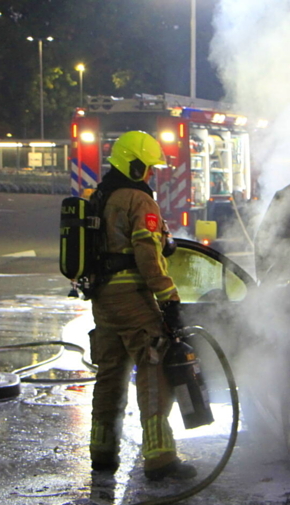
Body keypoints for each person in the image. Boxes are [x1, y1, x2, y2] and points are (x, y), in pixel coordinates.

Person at [86, 130, 196, 482]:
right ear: (134, 166)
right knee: (153, 370)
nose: (150, 174)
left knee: (109, 374)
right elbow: (148, 255)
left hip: (103, 301)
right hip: (133, 297)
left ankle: (102, 452)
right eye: (148, 167)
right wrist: (169, 297)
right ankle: (160, 458)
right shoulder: (138, 200)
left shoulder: (99, 197)